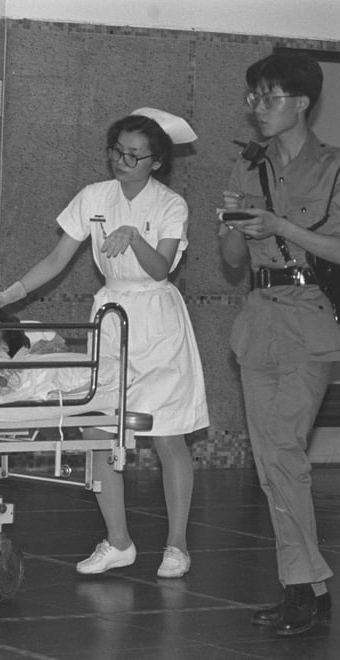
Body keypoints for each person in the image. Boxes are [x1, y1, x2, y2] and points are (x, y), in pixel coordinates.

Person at [0, 108, 209, 580]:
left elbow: (161, 268)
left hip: (157, 320)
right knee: (96, 430)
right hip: (111, 318)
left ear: (157, 162)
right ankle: (118, 541)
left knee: (168, 435)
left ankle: (177, 545)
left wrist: (134, 238)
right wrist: (9, 295)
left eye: (134, 156)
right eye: (117, 152)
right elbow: (57, 258)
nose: (122, 162)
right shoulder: (93, 196)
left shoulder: (172, 205)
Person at [218, 52, 340, 637]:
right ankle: (311, 588)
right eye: (254, 97)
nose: (258, 108)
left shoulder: (334, 168)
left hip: (308, 320)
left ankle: (301, 585)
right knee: (272, 461)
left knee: (283, 453)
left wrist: (281, 226)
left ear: (303, 102)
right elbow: (232, 260)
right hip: (258, 321)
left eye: (270, 97)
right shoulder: (247, 168)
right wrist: (231, 226)